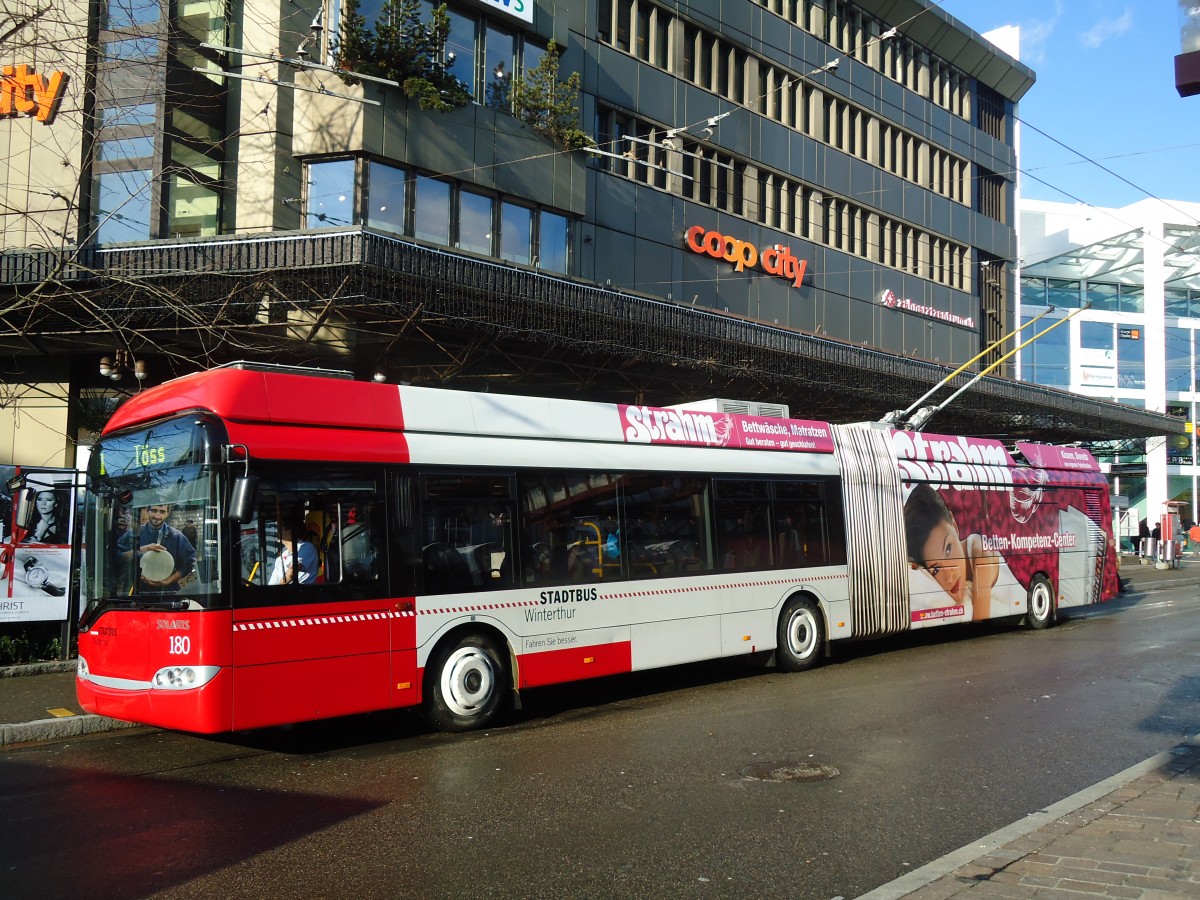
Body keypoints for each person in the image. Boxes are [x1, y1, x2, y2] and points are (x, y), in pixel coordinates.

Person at [904, 484, 1017, 621]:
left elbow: (980, 619)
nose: (949, 576)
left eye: (948, 549)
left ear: (955, 525)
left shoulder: (981, 554)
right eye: (936, 569)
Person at [118, 502, 196, 593]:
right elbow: (117, 557)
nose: (157, 516)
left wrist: (168, 581)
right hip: (136, 590)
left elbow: (188, 563)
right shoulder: (133, 534)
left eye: (162, 512)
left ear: (168, 513)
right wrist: (140, 550)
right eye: (154, 510)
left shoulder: (176, 536)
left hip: (168, 591)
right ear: (147, 510)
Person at [269, 518, 319, 585]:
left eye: (281, 529)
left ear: (290, 532)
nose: (277, 532)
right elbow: (272, 583)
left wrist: (277, 591)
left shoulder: (307, 547)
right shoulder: (281, 557)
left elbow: (293, 571)